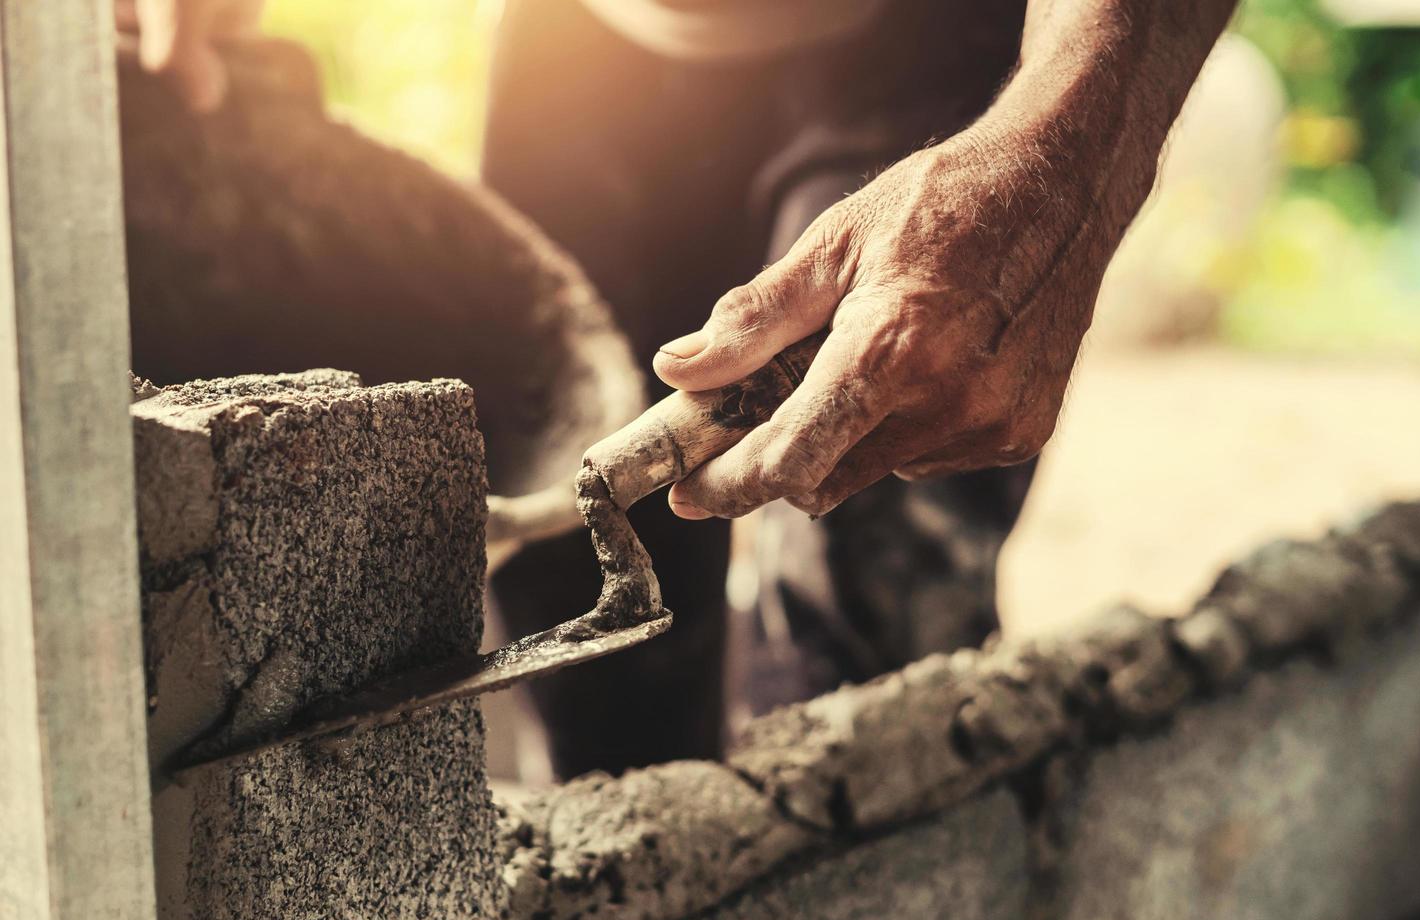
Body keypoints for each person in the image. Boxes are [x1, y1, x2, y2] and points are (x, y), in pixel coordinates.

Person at [125, 0, 1239, 777]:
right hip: (594, 47)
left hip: (940, 40)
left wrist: (1070, 142)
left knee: (865, 615)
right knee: (592, 654)